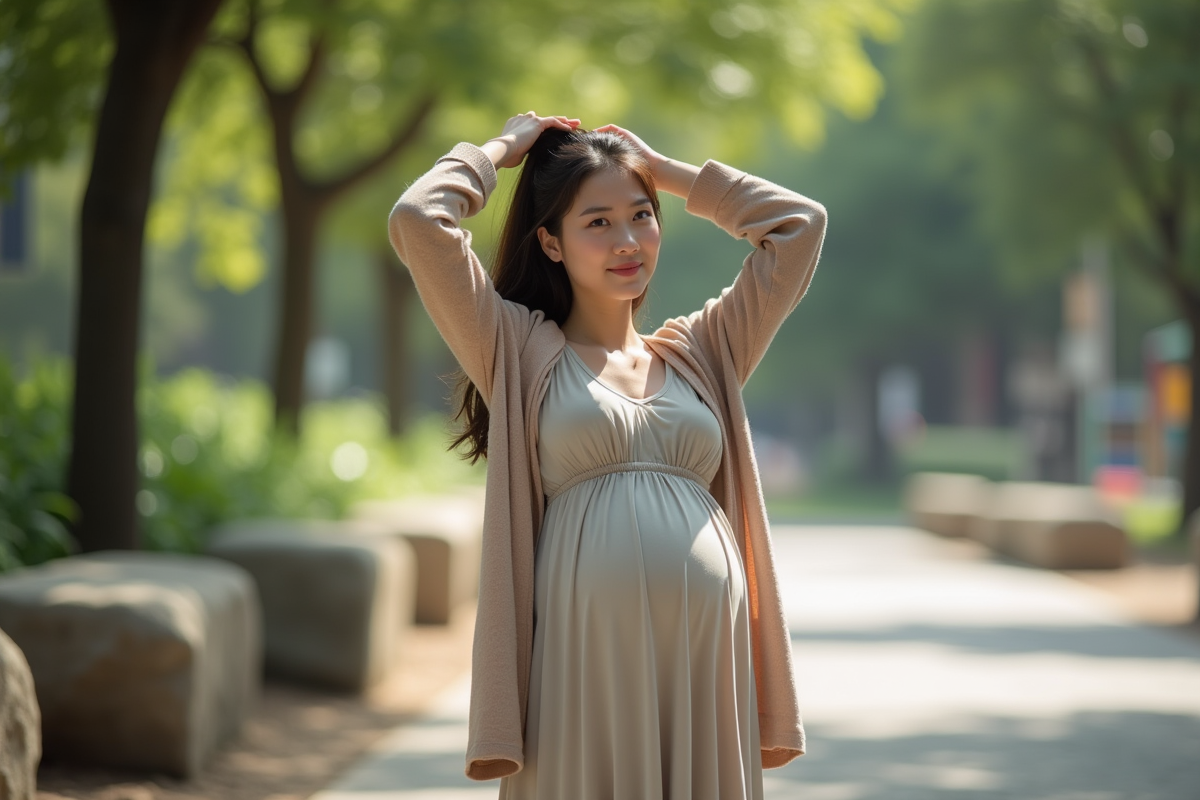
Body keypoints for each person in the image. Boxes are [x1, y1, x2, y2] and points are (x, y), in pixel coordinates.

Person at [388, 112, 827, 800]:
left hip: (702, 659)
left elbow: (799, 225)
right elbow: (419, 220)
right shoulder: (516, 348)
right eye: (597, 222)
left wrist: (665, 170)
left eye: (642, 216)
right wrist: (504, 148)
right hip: (582, 652)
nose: (628, 241)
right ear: (551, 243)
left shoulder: (705, 351)